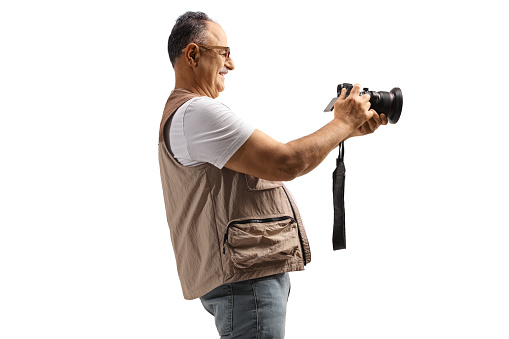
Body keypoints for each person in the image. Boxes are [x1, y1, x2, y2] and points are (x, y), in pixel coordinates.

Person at [158, 11, 388, 339]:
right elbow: (286, 162)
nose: (231, 64)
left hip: (243, 278)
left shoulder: (183, 115)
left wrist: (344, 131)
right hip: (247, 283)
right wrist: (342, 123)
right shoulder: (196, 112)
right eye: (223, 53)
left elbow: (287, 161)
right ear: (193, 54)